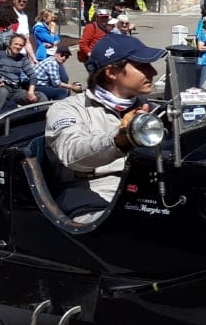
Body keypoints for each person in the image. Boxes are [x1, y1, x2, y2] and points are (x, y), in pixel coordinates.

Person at [45, 33, 165, 224]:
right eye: (142, 66)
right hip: (92, 199)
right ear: (111, 72)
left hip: (146, 190)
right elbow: (71, 152)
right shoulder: (68, 109)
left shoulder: (151, 108)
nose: (153, 72)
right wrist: (121, 138)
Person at [0, 33, 38, 110]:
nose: (18, 47)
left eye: (20, 45)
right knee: (3, 92)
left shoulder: (23, 59)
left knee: (39, 96)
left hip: (14, 90)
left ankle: (42, 116)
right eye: (16, 44)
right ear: (10, 45)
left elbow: (33, 76)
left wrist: (31, 92)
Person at [77, 9, 114, 77]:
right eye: (102, 17)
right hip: (92, 60)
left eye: (106, 17)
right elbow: (83, 44)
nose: (104, 19)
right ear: (97, 18)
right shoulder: (91, 27)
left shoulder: (106, 28)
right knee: (95, 78)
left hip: (103, 58)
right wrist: (91, 54)